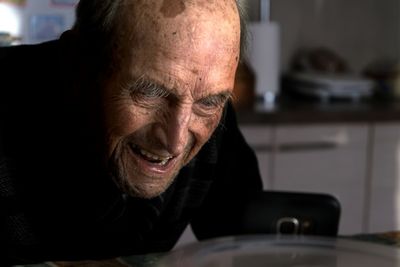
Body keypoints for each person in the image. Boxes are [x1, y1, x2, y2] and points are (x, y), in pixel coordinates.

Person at [0, 0, 262, 264]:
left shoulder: (208, 115)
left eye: (208, 102)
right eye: (150, 93)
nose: (175, 142)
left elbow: (256, 245)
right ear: (77, 66)